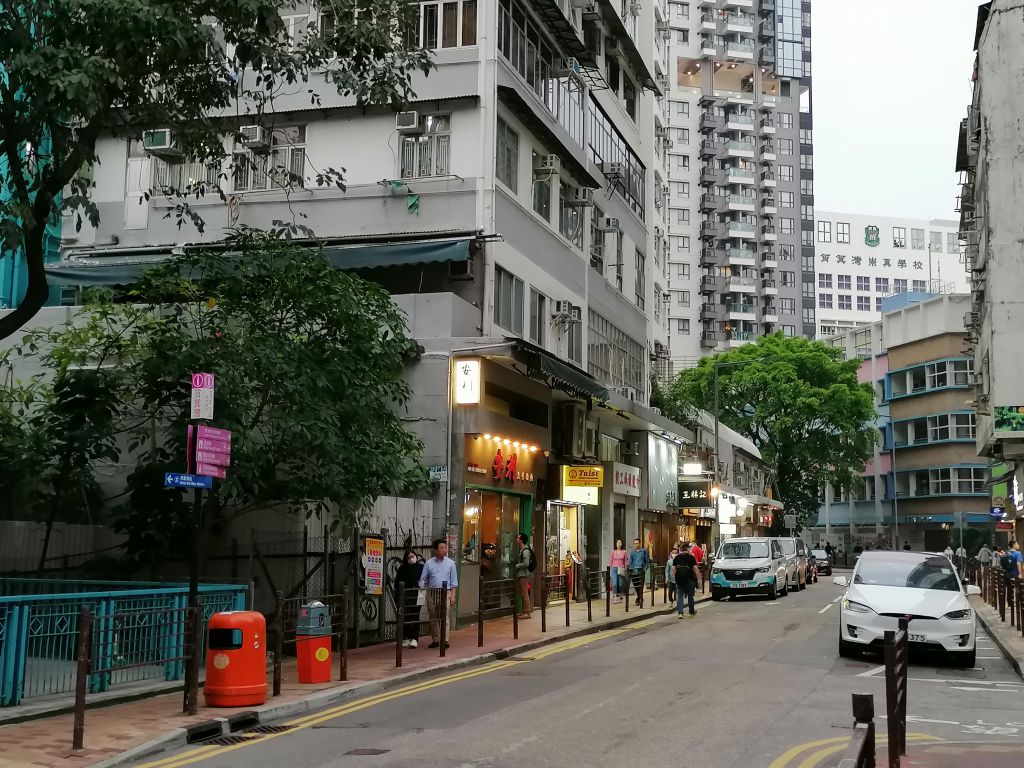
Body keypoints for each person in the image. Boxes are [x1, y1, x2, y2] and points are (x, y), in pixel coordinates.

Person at [417, 538, 458, 649]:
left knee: (445, 615)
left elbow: (454, 582)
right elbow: (423, 578)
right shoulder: (429, 563)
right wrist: (421, 586)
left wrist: (453, 596)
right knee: (433, 616)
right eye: (441, 548)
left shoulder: (451, 563)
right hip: (432, 592)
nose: (444, 550)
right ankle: (435, 639)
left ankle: (445, 640)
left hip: (446, 592)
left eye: (445, 548)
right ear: (436, 550)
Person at [395, 549, 424, 648]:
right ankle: (407, 637)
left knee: (415, 616)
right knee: (405, 617)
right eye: (409, 557)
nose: (411, 559)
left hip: (417, 596)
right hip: (405, 596)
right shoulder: (402, 569)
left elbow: (424, 580)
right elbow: (397, 583)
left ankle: (415, 638)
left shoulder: (421, 568)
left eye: (413, 556)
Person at [673, 542, 700, 618]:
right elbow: (695, 569)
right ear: (687, 549)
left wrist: (676, 576)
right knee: (690, 596)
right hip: (689, 579)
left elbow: (673, 568)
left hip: (679, 580)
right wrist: (698, 579)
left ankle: (680, 613)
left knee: (680, 596)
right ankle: (691, 612)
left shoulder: (677, 558)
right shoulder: (691, 558)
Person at [515, 533, 535, 619]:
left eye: (518, 538)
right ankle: (524, 612)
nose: (517, 539)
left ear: (521, 540)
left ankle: (527, 612)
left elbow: (526, 563)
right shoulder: (522, 549)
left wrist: (517, 565)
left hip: (523, 574)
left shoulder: (525, 550)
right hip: (522, 574)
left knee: (524, 593)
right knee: (523, 593)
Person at [628, 538, 649, 608]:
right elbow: (630, 562)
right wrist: (630, 570)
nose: (636, 545)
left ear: (639, 543)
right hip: (633, 571)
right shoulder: (632, 552)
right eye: (635, 543)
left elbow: (647, 561)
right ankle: (639, 597)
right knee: (636, 586)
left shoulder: (644, 551)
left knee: (641, 586)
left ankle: (640, 599)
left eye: (637, 543)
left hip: (641, 571)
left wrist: (645, 569)